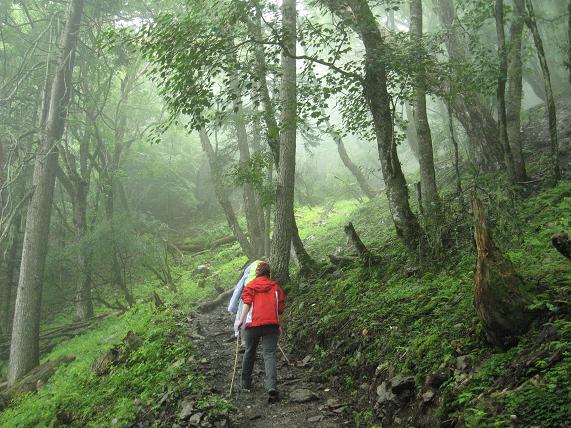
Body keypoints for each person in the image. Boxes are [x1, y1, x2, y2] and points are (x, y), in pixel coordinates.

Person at [236, 261, 285, 403]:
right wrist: (278, 323)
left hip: (252, 325)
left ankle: (245, 383)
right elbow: (279, 308)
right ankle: (271, 386)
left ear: (257, 273)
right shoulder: (275, 287)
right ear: (269, 273)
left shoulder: (250, 286)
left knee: (250, 351)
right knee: (269, 354)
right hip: (271, 325)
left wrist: (240, 320)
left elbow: (247, 303)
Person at [227, 259, 265, 342]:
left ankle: (240, 336)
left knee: (243, 312)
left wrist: (232, 307)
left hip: (247, 290)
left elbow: (238, 289)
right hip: (261, 295)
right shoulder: (266, 269)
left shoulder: (250, 269)